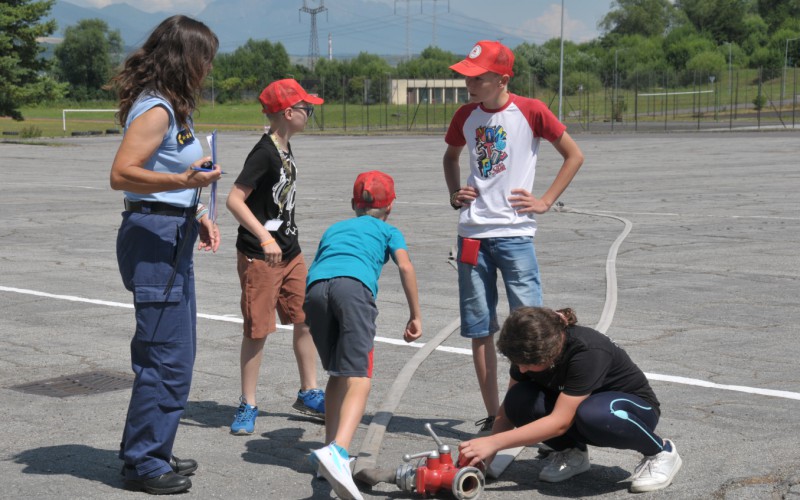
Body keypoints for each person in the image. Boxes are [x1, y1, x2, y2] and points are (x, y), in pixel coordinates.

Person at [442, 40, 585, 435]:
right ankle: (495, 416)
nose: (469, 83)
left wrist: (545, 201)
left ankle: (530, 411)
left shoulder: (531, 110)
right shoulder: (465, 115)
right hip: (472, 236)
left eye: (478, 77)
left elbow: (574, 155)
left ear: (502, 79)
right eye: (467, 76)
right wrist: (455, 194)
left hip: (515, 236)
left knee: (533, 329)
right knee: (479, 327)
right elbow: (450, 156)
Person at [108, 15, 221, 495]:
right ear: (184, 58)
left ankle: (151, 445)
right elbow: (121, 173)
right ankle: (144, 463)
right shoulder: (156, 109)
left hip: (172, 230)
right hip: (155, 236)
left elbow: (169, 173)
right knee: (165, 355)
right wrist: (183, 180)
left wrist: (198, 210)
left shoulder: (172, 107)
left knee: (176, 351)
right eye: (204, 58)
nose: (208, 68)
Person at [458, 307, 683, 493]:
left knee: (594, 413)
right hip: (580, 408)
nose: (522, 369)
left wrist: (494, 443)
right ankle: (572, 453)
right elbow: (508, 411)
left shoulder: (586, 351)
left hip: (630, 411)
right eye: (518, 363)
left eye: (528, 364)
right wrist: (486, 457)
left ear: (552, 353)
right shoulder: (527, 349)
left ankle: (660, 451)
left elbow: (560, 422)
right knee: (518, 399)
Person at [305, 171, 422, 500]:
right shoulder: (389, 230)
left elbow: (321, 264)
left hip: (315, 291)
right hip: (353, 290)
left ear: (352, 204)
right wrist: (415, 314)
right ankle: (339, 452)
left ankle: (328, 454)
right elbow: (406, 266)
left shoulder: (334, 228)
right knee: (360, 375)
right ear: (391, 206)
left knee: (338, 373)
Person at [226, 79, 326, 435]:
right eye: (306, 109)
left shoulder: (284, 147)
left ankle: (309, 391)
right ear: (288, 112)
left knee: (305, 317)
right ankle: (248, 403)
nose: (309, 114)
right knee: (258, 330)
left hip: (290, 251)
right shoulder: (264, 152)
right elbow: (234, 200)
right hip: (262, 256)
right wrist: (265, 238)